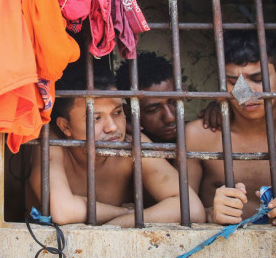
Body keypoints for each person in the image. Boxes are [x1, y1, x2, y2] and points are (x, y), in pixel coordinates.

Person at [28, 69, 205, 226]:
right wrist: (127, 213)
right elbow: (63, 211)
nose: (112, 127)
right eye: (97, 118)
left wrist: (124, 221)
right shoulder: (52, 141)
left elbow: (192, 208)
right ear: (65, 127)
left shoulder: (132, 144)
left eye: (117, 113)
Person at [186, 30, 276, 227]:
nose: (246, 93)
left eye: (257, 78)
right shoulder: (198, 137)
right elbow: (181, 211)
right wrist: (210, 215)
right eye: (233, 82)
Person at [115, 52, 178, 143]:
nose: (170, 118)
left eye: (173, 102)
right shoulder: (125, 142)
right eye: (153, 109)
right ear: (129, 111)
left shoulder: (200, 130)